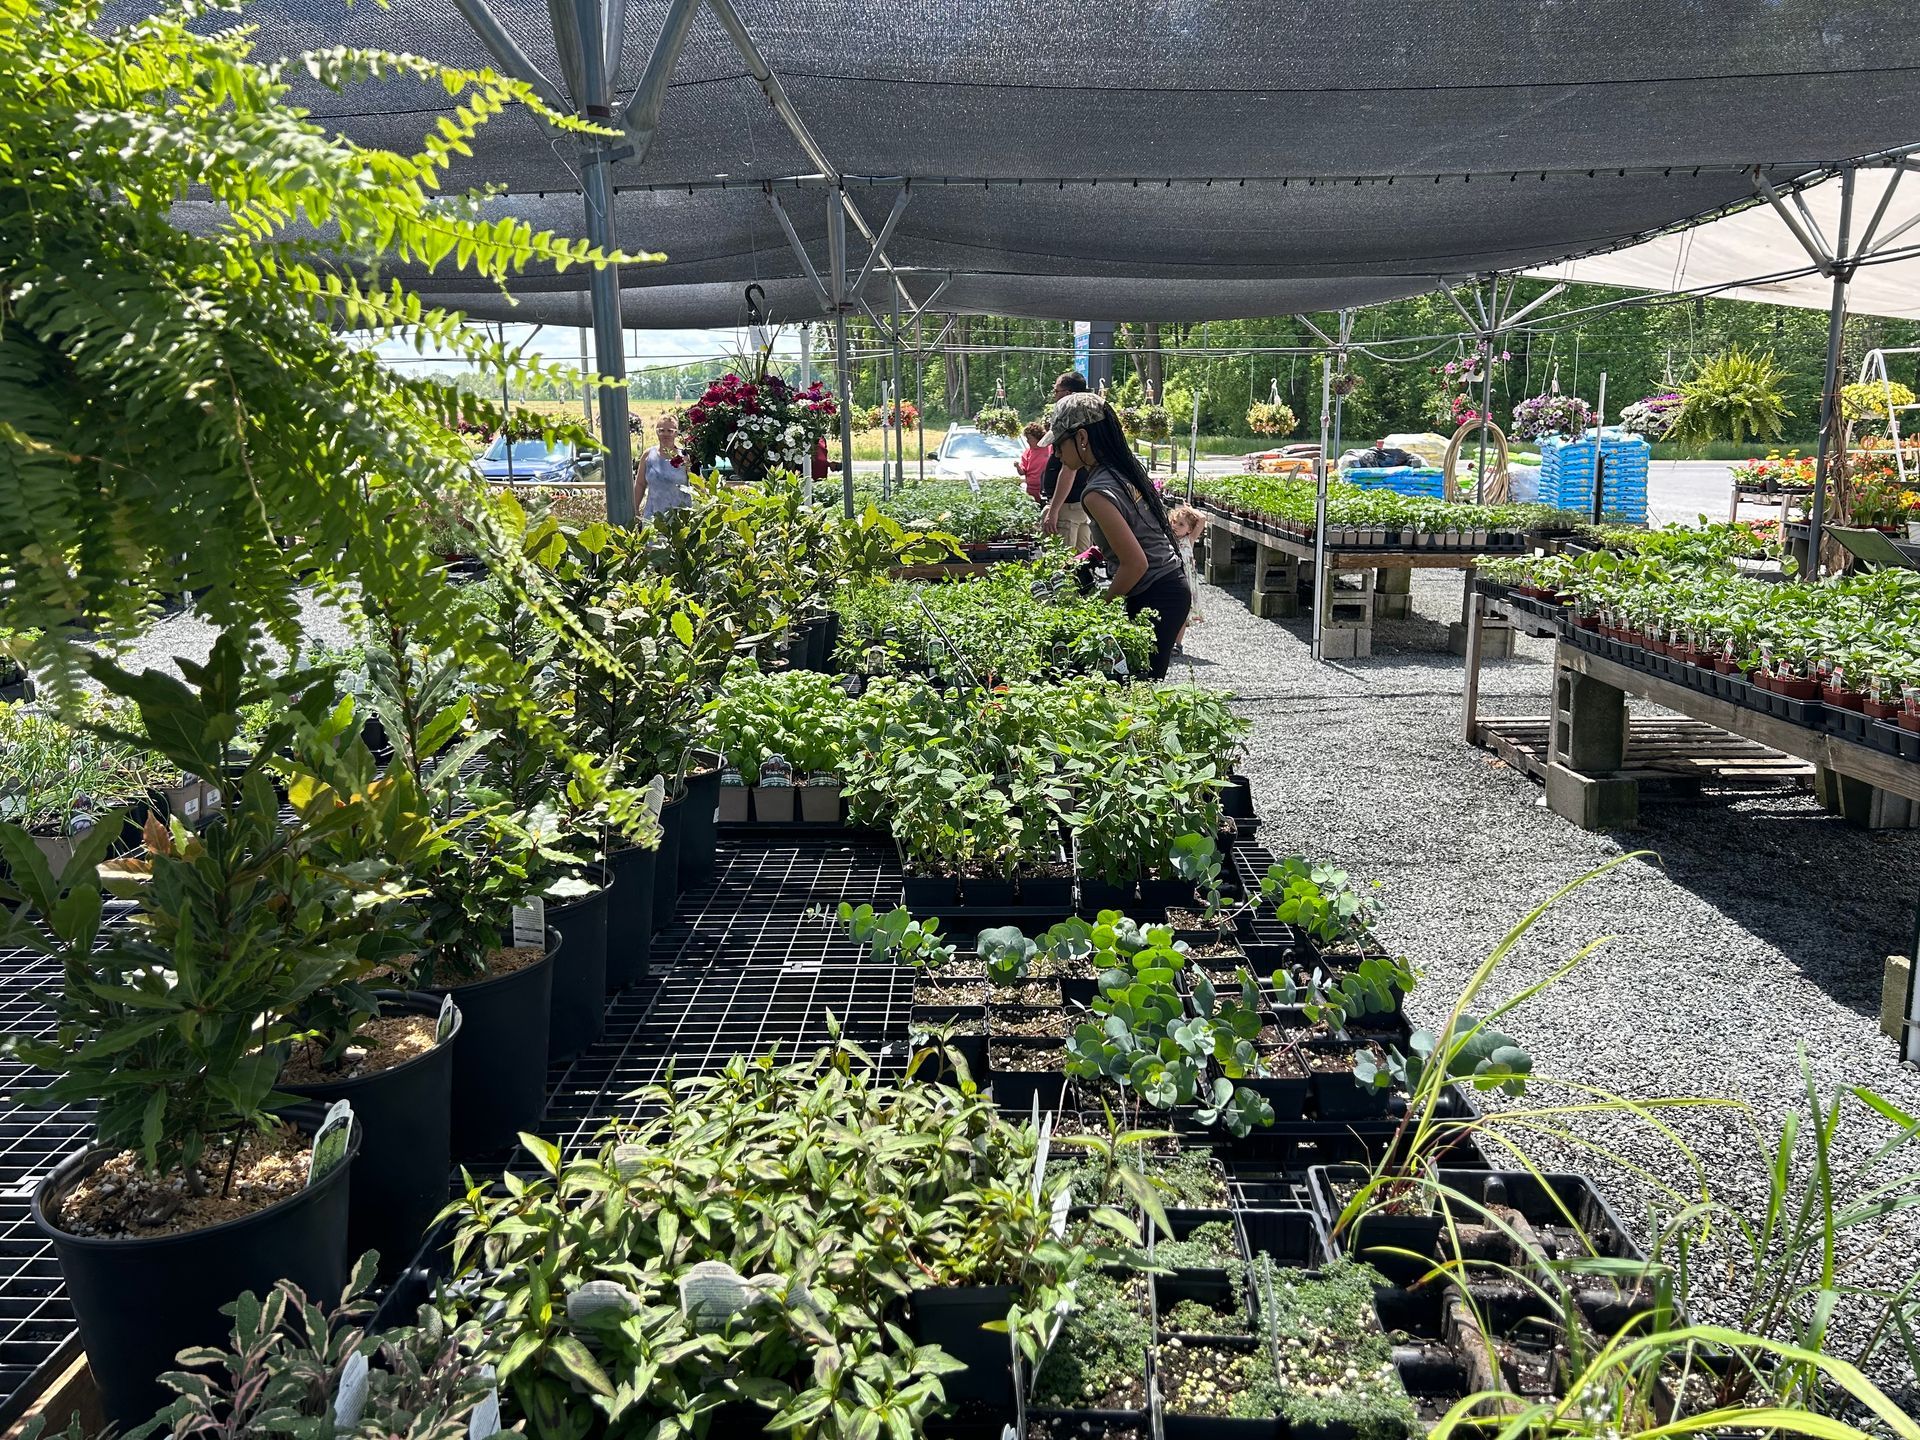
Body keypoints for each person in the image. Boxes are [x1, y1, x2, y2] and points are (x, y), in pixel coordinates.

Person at [1042, 393, 1190, 679]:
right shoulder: (1120, 472)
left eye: (1059, 444)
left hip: (1155, 593)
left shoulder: (1096, 493)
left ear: (1081, 438)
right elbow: (1134, 533)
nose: (1056, 454)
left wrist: (1099, 610)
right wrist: (1093, 555)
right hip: (1169, 587)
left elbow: (1136, 564)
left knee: (1135, 689)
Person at [1040, 370, 1092, 549]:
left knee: (1063, 562)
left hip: (1067, 507)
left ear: (1068, 394)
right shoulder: (1088, 418)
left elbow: (1069, 469)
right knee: (1081, 561)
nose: (1054, 396)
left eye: (1057, 391)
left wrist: (1053, 511)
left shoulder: (1071, 424)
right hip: (1079, 506)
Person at [636, 413, 691, 521]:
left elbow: (698, 484)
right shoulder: (648, 456)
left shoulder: (685, 457)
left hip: (679, 519)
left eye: (670, 431)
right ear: (657, 432)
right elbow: (640, 484)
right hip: (653, 517)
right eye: (661, 430)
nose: (665, 434)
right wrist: (635, 508)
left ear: (676, 433)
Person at [1017, 421, 1050, 501]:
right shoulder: (1028, 452)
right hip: (1031, 490)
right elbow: (1022, 472)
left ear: (1037, 437)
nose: (1027, 441)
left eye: (1029, 439)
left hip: (1046, 489)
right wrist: (1017, 466)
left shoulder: (1049, 448)